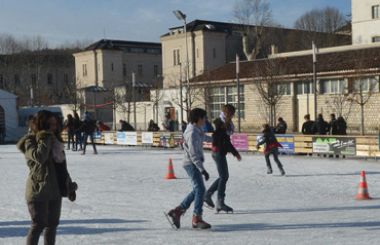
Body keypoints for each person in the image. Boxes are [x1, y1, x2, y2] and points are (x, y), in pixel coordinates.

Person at [16, 110, 77, 245]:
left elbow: (61, 168)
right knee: (38, 225)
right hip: (39, 189)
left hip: (55, 190)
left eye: (55, 124)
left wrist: (69, 185)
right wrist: (45, 137)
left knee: (52, 225)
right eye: (49, 125)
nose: (53, 128)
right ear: (41, 125)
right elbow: (40, 157)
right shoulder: (30, 141)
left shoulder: (56, 142)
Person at [166, 108, 212, 230]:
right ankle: (197, 218)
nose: (205, 120)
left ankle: (178, 211)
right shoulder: (191, 133)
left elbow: (204, 138)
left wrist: (215, 139)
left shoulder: (197, 129)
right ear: (198, 118)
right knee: (200, 189)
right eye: (204, 118)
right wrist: (202, 169)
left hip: (194, 163)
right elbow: (193, 154)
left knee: (197, 190)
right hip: (191, 164)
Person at [204, 118, 241, 213]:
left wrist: (234, 152)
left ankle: (209, 195)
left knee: (223, 177)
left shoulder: (219, 132)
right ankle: (218, 201)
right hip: (218, 154)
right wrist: (235, 153)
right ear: (221, 125)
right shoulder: (221, 133)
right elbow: (227, 144)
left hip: (218, 153)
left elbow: (226, 144)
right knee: (223, 177)